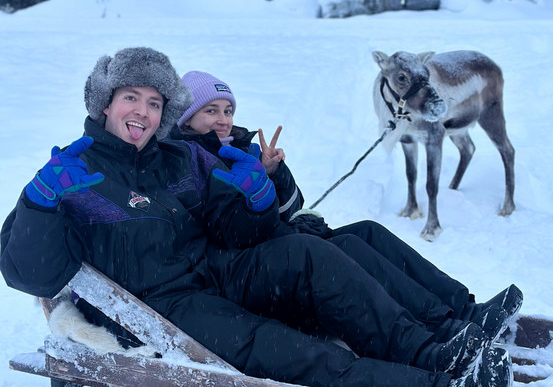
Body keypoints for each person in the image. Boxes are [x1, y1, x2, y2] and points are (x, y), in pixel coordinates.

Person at [1, 47, 513, 387]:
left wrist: (259, 196)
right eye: (130, 97)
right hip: (163, 312)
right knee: (301, 355)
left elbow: (240, 232)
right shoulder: (74, 169)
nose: (143, 112)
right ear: (105, 104)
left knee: (309, 254)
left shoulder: (179, 157)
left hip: (214, 274)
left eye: (154, 102)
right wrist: (39, 204)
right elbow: (29, 273)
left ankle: (439, 355)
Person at [173, 70, 523, 344]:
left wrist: (273, 173)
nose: (223, 119)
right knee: (349, 247)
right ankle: (440, 325)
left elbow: (294, 205)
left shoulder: (243, 147)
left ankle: (464, 309)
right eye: (211, 111)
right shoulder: (193, 160)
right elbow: (229, 231)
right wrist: (272, 211)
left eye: (228, 110)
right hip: (257, 268)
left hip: (278, 245)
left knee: (367, 231)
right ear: (187, 118)